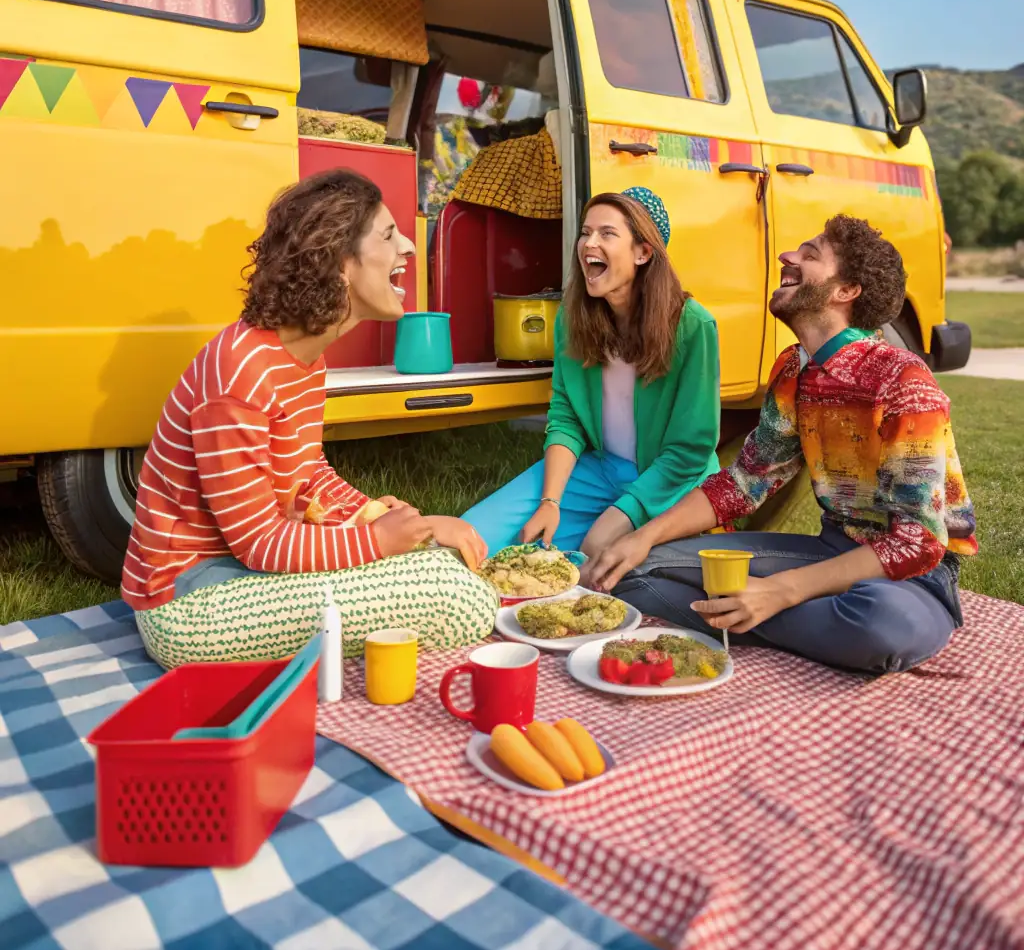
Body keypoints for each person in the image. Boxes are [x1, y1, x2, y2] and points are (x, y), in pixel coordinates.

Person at [122, 168, 496, 669]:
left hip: (240, 569)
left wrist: (405, 526)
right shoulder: (241, 375)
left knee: (439, 561)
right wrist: (378, 541)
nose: (408, 247)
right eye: (388, 235)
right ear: (340, 263)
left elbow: (308, 473)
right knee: (456, 596)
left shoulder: (304, 357)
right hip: (191, 604)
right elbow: (258, 543)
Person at [584, 215, 978, 676]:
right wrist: (642, 536)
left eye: (809, 255)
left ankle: (748, 611)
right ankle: (762, 613)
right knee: (631, 570)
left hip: (912, 578)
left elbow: (920, 542)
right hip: (830, 550)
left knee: (880, 628)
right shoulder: (794, 370)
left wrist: (783, 590)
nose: (786, 257)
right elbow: (742, 484)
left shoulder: (903, 380)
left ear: (845, 291)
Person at [463, 188, 720, 558]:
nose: (588, 244)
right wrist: (550, 500)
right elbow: (566, 416)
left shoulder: (694, 327)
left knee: (595, 557)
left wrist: (618, 518)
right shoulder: (572, 318)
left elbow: (690, 451)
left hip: (670, 483)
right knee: (473, 540)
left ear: (643, 252)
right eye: (585, 232)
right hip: (599, 470)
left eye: (607, 234)